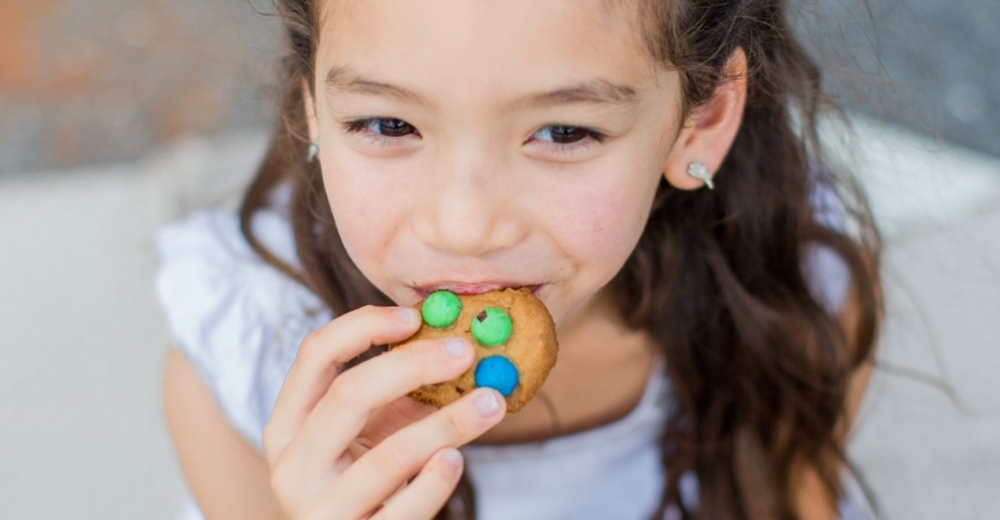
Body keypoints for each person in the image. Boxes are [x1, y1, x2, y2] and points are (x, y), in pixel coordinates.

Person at [155, 0, 883, 519]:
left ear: (703, 119)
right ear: (312, 102)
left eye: (563, 131)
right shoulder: (240, 379)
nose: (465, 226)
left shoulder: (793, 301)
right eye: (387, 123)